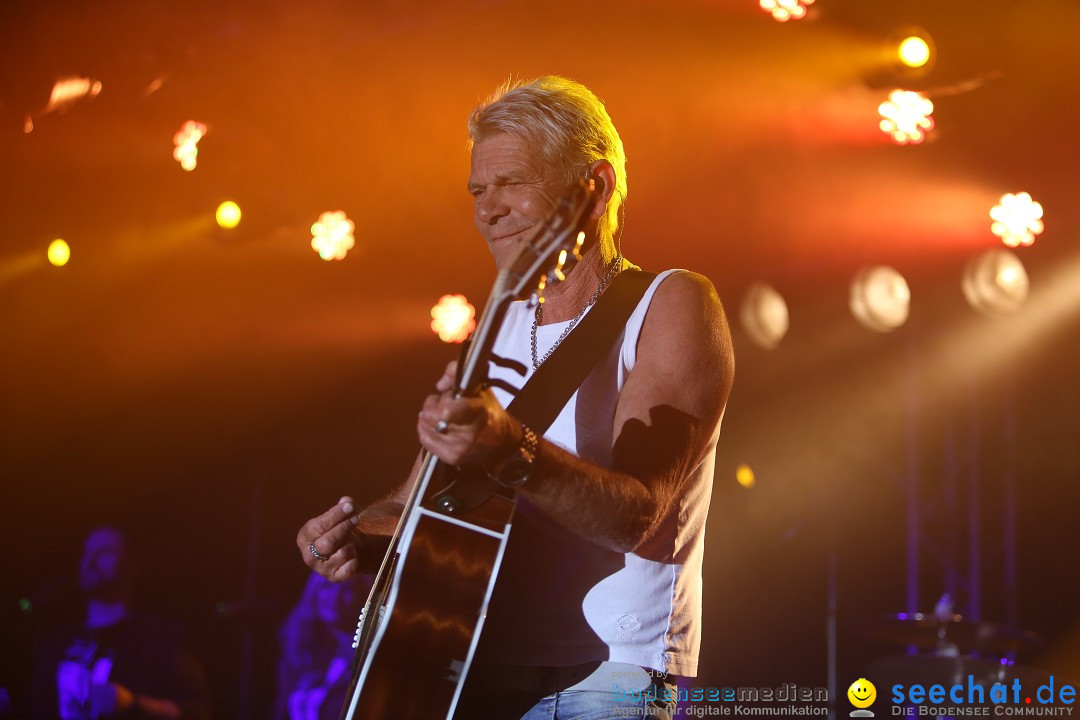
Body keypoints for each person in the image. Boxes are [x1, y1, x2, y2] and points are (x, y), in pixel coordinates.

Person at [297, 75, 734, 719]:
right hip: (469, 665)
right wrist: (354, 538)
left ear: (596, 188)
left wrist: (509, 446)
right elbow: (424, 499)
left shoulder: (670, 303)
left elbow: (636, 514)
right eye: (478, 189)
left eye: (512, 183)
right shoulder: (497, 327)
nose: (487, 208)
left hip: (611, 675)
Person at [30, 526, 211, 719]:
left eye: (105, 552)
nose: (90, 561)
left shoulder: (159, 639)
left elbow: (196, 711)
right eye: (87, 552)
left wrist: (133, 703)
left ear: (132, 566)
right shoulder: (59, 641)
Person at [274, 571, 373, 720]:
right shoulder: (301, 654)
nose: (335, 595)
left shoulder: (366, 657)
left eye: (346, 589)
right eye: (327, 587)